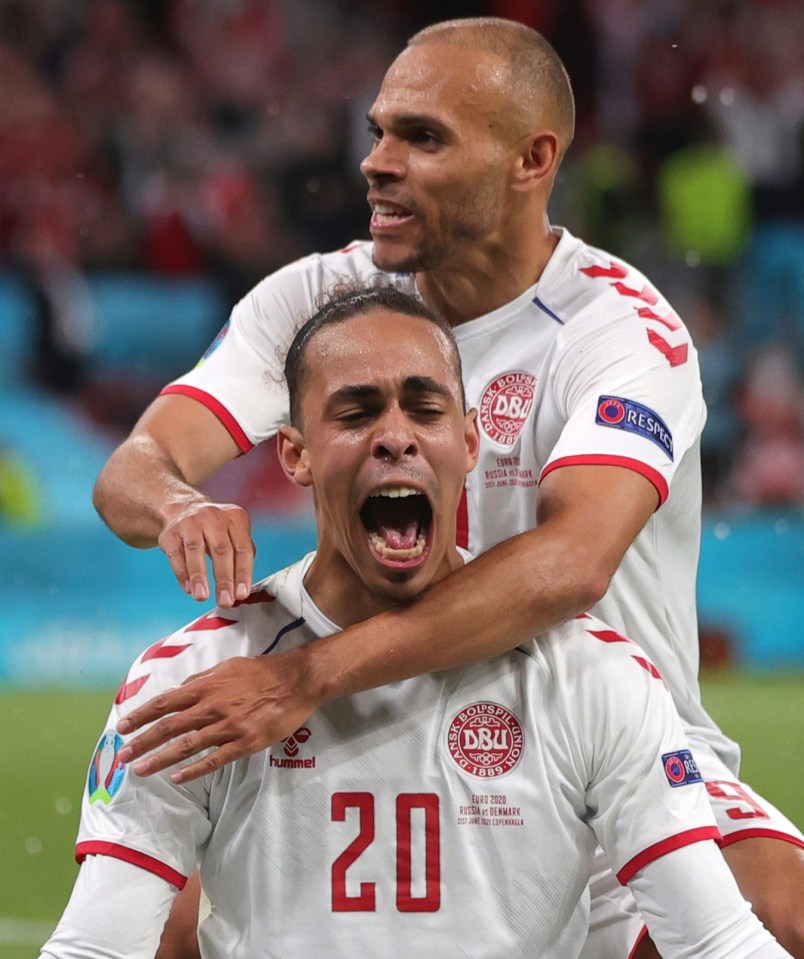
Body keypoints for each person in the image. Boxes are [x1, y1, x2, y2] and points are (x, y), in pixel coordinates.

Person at [92, 17, 804, 958]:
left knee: (784, 917)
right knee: (148, 910)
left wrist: (304, 674)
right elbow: (134, 467)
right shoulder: (317, 302)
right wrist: (177, 501)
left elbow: (570, 564)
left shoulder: (619, 330)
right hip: (358, 739)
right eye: (380, 130)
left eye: (422, 138)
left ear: (532, 159)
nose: (377, 163)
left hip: (601, 760)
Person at [42, 289, 792, 959]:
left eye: (424, 408)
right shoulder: (191, 681)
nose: (395, 436)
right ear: (295, 455)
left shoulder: (592, 675)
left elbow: (716, 937)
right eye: (358, 410)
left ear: (468, 444)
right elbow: (96, 946)